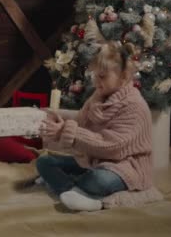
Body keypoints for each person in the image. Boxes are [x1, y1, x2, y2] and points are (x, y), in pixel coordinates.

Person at [36, 41, 153, 211]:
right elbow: (80, 123)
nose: (96, 81)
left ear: (123, 76)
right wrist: (57, 125)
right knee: (44, 162)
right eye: (95, 75)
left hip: (125, 166)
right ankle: (75, 191)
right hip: (95, 161)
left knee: (99, 180)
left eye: (103, 76)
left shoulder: (134, 105)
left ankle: (79, 193)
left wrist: (66, 132)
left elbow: (112, 146)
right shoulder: (97, 97)